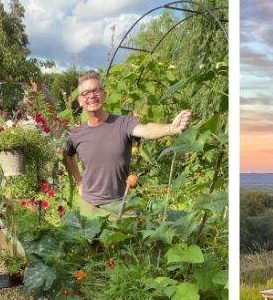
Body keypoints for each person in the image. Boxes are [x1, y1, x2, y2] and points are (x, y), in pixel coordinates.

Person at [65, 70, 191, 217]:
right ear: (80, 100)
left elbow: (145, 129)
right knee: (87, 241)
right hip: (89, 206)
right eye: (86, 93)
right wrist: (79, 182)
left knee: (128, 238)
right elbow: (69, 156)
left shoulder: (123, 123)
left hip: (121, 205)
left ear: (104, 94)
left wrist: (170, 128)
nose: (91, 96)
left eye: (96, 90)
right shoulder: (77, 134)